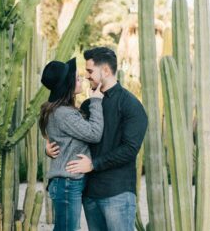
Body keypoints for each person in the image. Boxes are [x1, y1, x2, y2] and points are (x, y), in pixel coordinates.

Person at [47, 47, 148, 231]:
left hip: (117, 193)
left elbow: (130, 149)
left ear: (106, 71)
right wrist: (50, 146)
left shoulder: (131, 106)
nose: (86, 76)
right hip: (89, 193)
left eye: (90, 71)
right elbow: (68, 132)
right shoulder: (87, 105)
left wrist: (94, 164)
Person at [39, 57, 104, 231]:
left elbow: (59, 139)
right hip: (67, 182)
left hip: (67, 182)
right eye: (76, 78)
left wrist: (47, 150)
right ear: (68, 86)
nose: (81, 79)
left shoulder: (59, 110)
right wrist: (96, 101)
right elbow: (94, 134)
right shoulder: (63, 113)